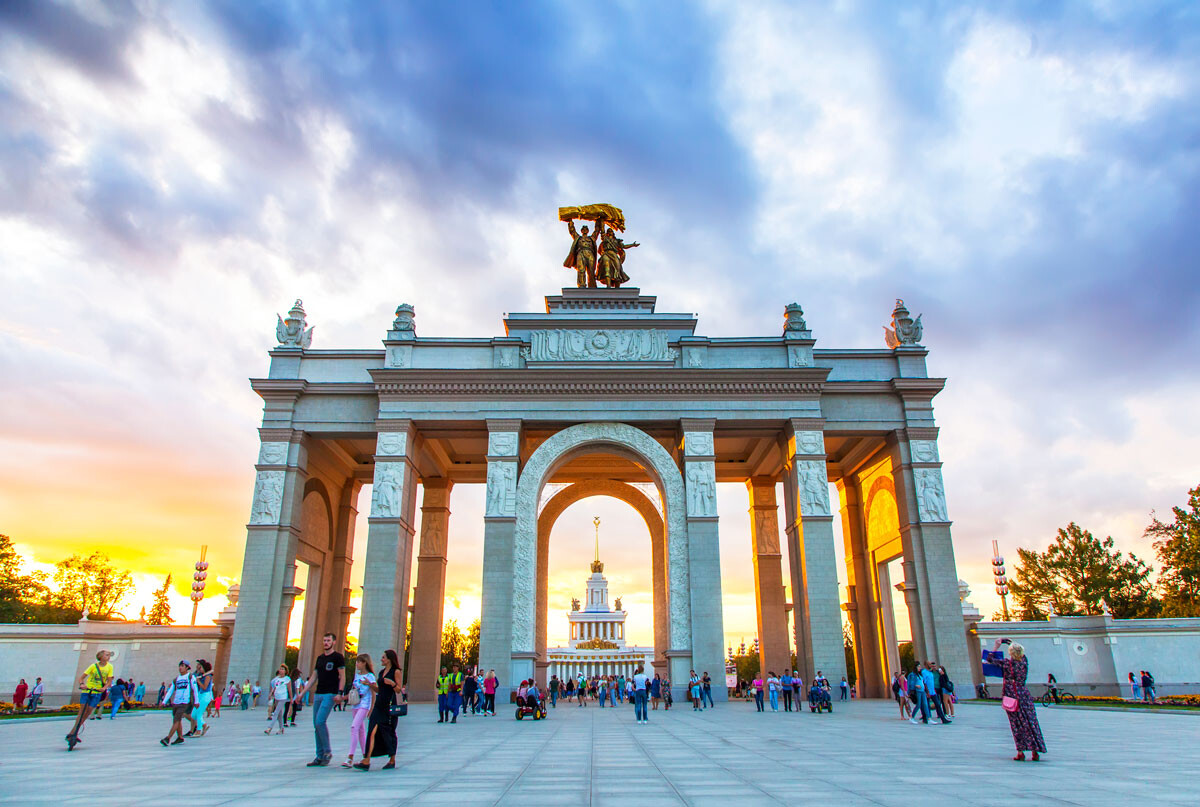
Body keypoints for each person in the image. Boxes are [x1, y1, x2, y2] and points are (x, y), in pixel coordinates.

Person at [986, 638, 1045, 761]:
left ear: (1010, 653)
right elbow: (1021, 653)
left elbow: (989, 659)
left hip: (1011, 695)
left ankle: (1021, 752)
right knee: (1031, 722)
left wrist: (996, 645)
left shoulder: (1008, 663)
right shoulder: (1024, 662)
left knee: (1016, 724)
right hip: (1024, 695)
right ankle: (1035, 751)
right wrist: (1011, 642)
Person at [292, 632, 346, 767]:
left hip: (330, 693)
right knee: (316, 724)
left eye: (328, 640)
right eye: (324, 640)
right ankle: (319, 756)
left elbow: (343, 676)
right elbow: (313, 677)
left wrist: (340, 693)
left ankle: (327, 752)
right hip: (318, 693)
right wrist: (302, 693)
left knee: (320, 721)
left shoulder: (338, 657)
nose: (326, 643)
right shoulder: (320, 658)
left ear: (334, 642)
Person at [354, 649, 399, 771]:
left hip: (389, 705)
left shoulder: (396, 672)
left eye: (383, 658)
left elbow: (398, 690)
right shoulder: (381, 672)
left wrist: (392, 684)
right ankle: (366, 760)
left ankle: (392, 759)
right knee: (372, 730)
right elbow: (379, 690)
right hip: (379, 705)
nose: (381, 659)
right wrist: (370, 685)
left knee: (388, 732)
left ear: (389, 659)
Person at [66, 649, 112, 750]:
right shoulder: (93, 666)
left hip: (97, 692)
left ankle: (74, 732)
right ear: (101, 656)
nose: (108, 657)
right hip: (87, 691)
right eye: (106, 655)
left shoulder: (110, 667)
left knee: (88, 712)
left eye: (109, 655)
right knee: (82, 712)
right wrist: (82, 684)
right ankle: (73, 732)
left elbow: (109, 681)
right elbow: (81, 678)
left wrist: (104, 688)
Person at [341, 654, 375, 768]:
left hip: (364, 705)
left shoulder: (370, 676)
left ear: (364, 662)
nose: (357, 664)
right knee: (360, 730)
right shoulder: (356, 676)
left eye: (358, 662)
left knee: (354, 727)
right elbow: (354, 691)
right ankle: (366, 756)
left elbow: (374, 692)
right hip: (355, 704)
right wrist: (342, 698)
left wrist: (371, 708)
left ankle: (350, 757)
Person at [161, 660, 198, 747]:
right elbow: (171, 691)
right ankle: (180, 737)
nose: (180, 668)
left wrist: (196, 701)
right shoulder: (176, 679)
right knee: (177, 720)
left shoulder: (190, 677)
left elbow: (195, 689)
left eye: (182, 666)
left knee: (177, 720)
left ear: (187, 668)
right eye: (180, 666)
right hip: (176, 702)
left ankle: (168, 738)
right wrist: (164, 702)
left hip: (184, 702)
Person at [265, 663, 292, 735]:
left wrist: (291, 699)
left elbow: (289, 689)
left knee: (276, 712)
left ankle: (269, 728)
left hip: (283, 697)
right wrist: (270, 694)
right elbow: (274, 687)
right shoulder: (276, 679)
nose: (281, 670)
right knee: (279, 714)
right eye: (280, 669)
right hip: (277, 697)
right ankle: (281, 728)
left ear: (286, 671)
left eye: (283, 669)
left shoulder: (287, 679)